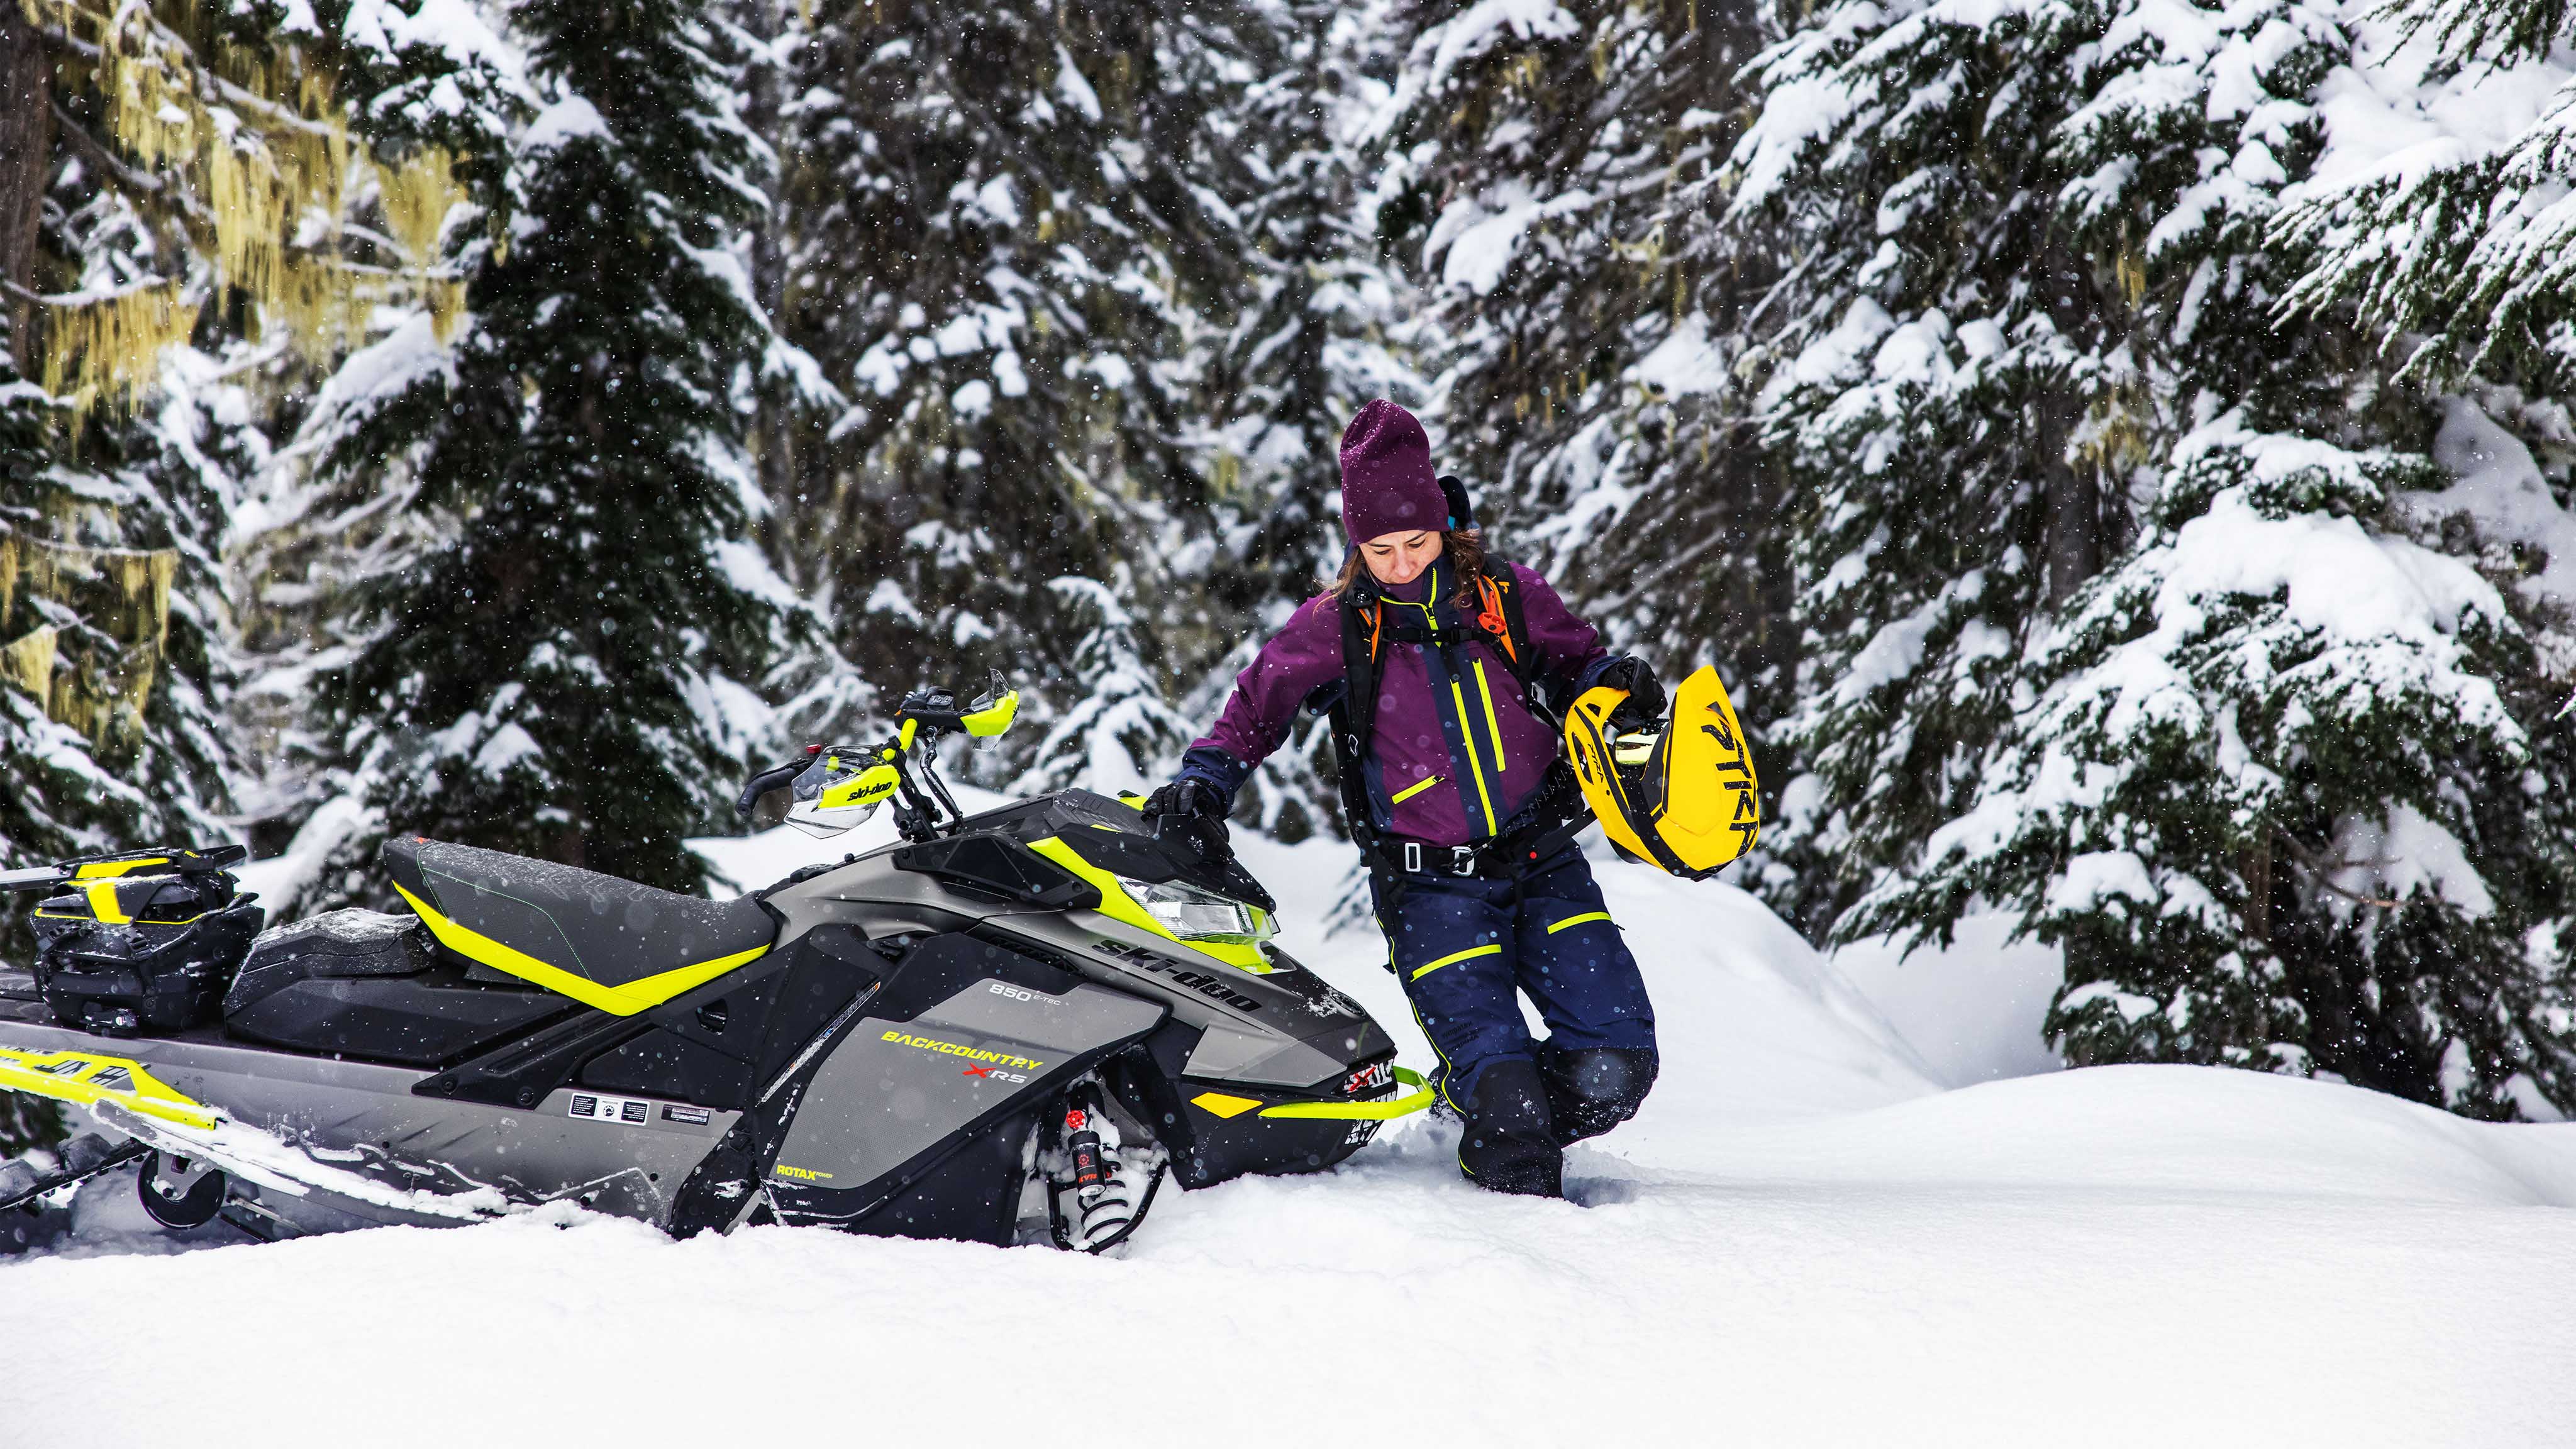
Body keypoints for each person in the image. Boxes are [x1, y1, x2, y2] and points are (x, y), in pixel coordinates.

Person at [1141, 399, 1665, 1198]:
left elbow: (1578, 668)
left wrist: (1613, 683)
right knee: (1509, 1105)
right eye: (1377, 549)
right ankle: (1510, 1189)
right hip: (1431, 889)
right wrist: (1203, 781)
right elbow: (1256, 706)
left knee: (1614, 1068)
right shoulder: (1338, 625)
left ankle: (1482, 1115)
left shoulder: (1505, 598)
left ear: (1444, 525)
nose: (1397, 563)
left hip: (1543, 861)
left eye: (1414, 543)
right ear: (1355, 546)